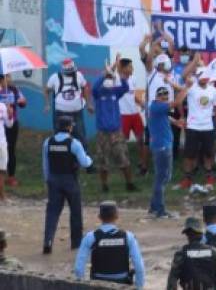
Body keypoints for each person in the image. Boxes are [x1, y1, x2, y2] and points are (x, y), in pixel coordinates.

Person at [42, 115, 92, 254]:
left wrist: (48, 180)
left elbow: (45, 164)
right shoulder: (74, 143)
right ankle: (76, 244)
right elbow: (84, 163)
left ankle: (48, 242)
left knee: (52, 213)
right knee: (75, 212)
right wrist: (90, 160)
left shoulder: (48, 142)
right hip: (70, 180)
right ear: (70, 127)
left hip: (54, 180)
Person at [74, 201, 145, 288]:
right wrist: (139, 287)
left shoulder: (90, 237)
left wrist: (83, 286)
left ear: (99, 217)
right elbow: (139, 267)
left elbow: (78, 268)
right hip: (121, 284)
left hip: (97, 283)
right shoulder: (128, 237)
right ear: (117, 216)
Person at [92, 61, 137, 194]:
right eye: (107, 77)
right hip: (103, 133)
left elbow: (125, 87)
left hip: (116, 132)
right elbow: (94, 87)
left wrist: (120, 75)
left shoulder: (115, 92)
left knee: (123, 158)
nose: (109, 79)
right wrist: (104, 75)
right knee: (103, 161)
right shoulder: (98, 93)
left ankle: (129, 184)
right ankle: (104, 185)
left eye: (110, 77)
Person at [177, 69, 216, 189]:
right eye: (201, 75)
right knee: (189, 155)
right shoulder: (191, 87)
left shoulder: (213, 90)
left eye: (205, 75)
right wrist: (182, 116)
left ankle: (209, 176)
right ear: (197, 76)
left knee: (209, 154)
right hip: (193, 126)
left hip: (208, 127)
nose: (203, 77)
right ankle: (187, 178)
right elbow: (179, 101)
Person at [44, 58, 93, 158]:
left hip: (77, 113)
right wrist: (47, 104)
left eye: (72, 71)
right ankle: (60, 157)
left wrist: (88, 104)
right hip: (60, 114)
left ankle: (85, 158)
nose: (71, 73)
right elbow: (46, 90)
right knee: (59, 135)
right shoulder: (54, 77)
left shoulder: (79, 75)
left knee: (80, 135)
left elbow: (85, 88)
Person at [149, 86, 183, 219]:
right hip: (163, 147)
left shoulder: (156, 107)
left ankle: (154, 206)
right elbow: (177, 102)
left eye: (166, 96)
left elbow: (165, 117)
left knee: (162, 177)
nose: (165, 98)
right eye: (163, 96)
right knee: (162, 178)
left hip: (161, 146)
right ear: (158, 97)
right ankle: (160, 210)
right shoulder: (158, 106)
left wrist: (176, 122)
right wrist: (186, 88)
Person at [167, 217, 216, 290]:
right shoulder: (213, 251)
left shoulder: (181, 253)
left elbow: (172, 280)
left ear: (187, 234)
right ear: (202, 234)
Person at [115, 58, 147, 177]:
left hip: (135, 114)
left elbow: (132, 96)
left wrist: (142, 103)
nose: (132, 69)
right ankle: (125, 166)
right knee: (122, 143)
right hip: (123, 115)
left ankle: (143, 165)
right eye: (130, 67)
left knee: (141, 140)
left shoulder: (133, 79)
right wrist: (117, 62)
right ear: (123, 69)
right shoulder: (117, 79)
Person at [0, 74, 26, 187]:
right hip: (1, 122)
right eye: (6, 76)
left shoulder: (14, 90)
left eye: (9, 76)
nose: (9, 79)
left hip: (11, 123)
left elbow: (23, 103)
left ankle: (10, 177)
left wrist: (22, 101)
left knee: (11, 149)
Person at [0, 98, 11, 201]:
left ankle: (2, 196)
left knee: (2, 169)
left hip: (1, 141)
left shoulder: (2, 106)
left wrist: (10, 114)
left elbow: (9, 124)